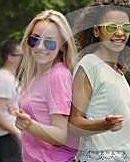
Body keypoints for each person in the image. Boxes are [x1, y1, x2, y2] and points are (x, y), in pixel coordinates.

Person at [69, 0, 130, 162]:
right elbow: (74, 123)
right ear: (96, 30)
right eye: (111, 27)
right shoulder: (90, 64)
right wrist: (103, 125)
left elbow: (121, 126)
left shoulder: (118, 71)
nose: (120, 33)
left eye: (126, 27)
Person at [13, 9, 79, 161]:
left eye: (49, 42)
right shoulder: (38, 75)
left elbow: (61, 135)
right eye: (35, 39)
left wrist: (29, 125)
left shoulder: (58, 77)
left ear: (63, 45)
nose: (40, 47)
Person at [0, 39, 22, 162]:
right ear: (10, 58)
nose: (24, 58)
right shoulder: (4, 80)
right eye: (21, 55)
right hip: (6, 137)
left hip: (9, 137)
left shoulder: (9, 78)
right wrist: (17, 133)